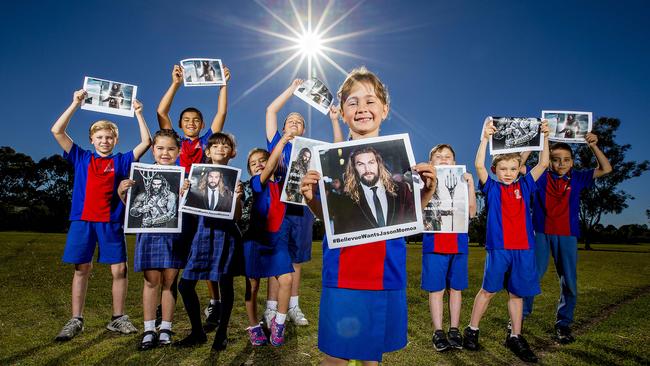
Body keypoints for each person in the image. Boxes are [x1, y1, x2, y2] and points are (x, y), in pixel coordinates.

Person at [300, 67, 437, 365]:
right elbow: (331, 219)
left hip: (388, 270)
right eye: (353, 102)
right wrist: (312, 201)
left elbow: (405, 218)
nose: (362, 108)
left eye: (370, 101)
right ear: (343, 112)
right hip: (345, 271)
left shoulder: (401, 172)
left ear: (385, 109)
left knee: (372, 357)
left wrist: (424, 195)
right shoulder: (332, 167)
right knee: (335, 357)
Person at [51, 90, 151, 341]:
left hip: (111, 222)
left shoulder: (121, 160)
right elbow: (57, 131)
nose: (104, 140)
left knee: (119, 270)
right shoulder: (81, 156)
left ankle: (118, 318)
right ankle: (76, 319)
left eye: (109, 137)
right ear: (92, 139)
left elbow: (146, 142)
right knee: (81, 268)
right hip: (82, 221)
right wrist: (75, 103)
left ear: (116, 140)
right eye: (100, 137)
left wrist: (139, 114)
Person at [463, 117, 549, 363]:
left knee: (517, 294)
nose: (509, 173)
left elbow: (543, 162)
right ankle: (473, 330)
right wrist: (485, 138)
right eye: (503, 169)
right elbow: (478, 163)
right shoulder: (491, 187)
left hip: (524, 248)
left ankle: (515, 336)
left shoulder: (527, 184)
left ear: (518, 169)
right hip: (499, 248)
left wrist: (545, 135)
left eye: (513, 168)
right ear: (495, 171)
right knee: (488, 291)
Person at [263, 79, 343, 328]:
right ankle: (271, 307)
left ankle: (293, 306)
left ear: (305, 130)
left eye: (299, 122)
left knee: (295, 260)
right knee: (277, 257)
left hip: (304, 209)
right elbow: (270, 110)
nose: (294, 124)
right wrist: (292, 88)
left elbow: (339, 150)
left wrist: (333, 120)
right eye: (290, 121)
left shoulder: (311, 150)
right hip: (279, 207)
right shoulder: (279, 143)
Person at [156, 63, 231, 328]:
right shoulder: (174, 141)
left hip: (202, 205)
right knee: (175, 255)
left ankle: (214, 303)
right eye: (186, 120)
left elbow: (221, 111)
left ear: (201, 124)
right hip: (176, 204)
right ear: (179, 125)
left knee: (206, 252)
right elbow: (161, 111)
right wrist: (176, 83)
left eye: (196, 120)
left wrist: (223, 85)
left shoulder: (208, 140)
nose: (192, 123)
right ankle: (164, 306)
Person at [521, 134, 612, 343]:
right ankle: (519, 318)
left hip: (568, 234)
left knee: (569, 281)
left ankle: (563, 324)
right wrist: (537, 143)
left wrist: (593, 146)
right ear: (548, 160)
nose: (561, 163)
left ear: (572, 161)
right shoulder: (541, 176)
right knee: (532, 275)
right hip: (541, 232)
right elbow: (518, 167)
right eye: (555, 159)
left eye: (566, 159)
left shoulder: (578, 178)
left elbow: (606, 169)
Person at [174, 132, 243, 351]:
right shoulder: (198, 176)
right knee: (185, 285)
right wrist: (185, 193)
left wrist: (238, 200)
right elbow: (190, 211)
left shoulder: (234, 179)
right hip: (203, 233)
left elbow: (237, 216)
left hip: (225, 235)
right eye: (216, 146)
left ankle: (221, 333)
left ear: (232, 152)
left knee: (225, 284)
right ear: (208, 151)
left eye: (226, 146)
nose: (221, 149)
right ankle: (197, 332)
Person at [117, 129, 186, 349]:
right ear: (153, 149)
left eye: (171, 149)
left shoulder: (183, 176)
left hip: (173, 236)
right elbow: (132, 211)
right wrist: (121, 192)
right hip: (148, 235)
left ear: (178, 150)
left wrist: (187, 193)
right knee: (150, 281)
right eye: (160, 148)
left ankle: (165, 327)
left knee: (169, 282)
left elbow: (186, 210)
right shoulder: (140, 175)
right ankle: (149, 329)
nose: (165, 153)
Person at [421, 144, 477, 352]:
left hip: (458, 243)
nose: (443, 160)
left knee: (456, 289)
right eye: (438, 156)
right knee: (437, 289)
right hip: (435, 243)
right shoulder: (424, 181)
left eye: (448, 157)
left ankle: (454, 329)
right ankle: (438, 331)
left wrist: (471, 186)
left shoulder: (462, 181)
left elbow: (471, 213)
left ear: (454, 162)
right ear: (431, 162)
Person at [244, 136, 297, 346]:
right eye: (253, 163)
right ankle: (254, 326)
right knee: (253, 286)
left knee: (286, 281)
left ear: (273, 161)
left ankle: (279, 322)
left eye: (262, 160)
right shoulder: (256, 183)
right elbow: (266, 171)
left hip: (277, 241)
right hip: (255, 241)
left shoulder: (285, 185)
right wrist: (282, 141)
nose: (258, 164)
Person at [328, 146, 416, 234]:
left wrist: (429, 190)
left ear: (378, 164)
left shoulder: (401, 189)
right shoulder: (345, 201)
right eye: (360, 164)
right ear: (354, 168)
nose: (367, 169)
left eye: (371, 162)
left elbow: (414, 218)